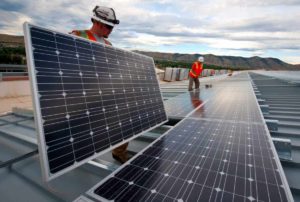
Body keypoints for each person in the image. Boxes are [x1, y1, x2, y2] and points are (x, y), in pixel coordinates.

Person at [71, 6, 129, 164]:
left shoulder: (108, 44)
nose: (111, 30)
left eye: (112, 27)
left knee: (126, 116)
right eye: (108, 26)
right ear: (97, 22)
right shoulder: (77, 36)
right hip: (82, 95)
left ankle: (119, 152)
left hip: (102, 92)